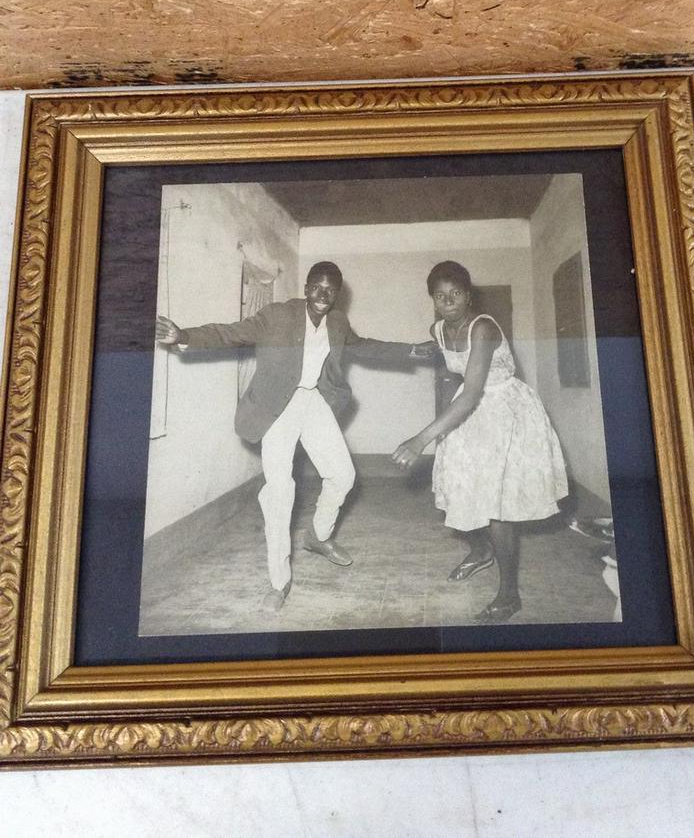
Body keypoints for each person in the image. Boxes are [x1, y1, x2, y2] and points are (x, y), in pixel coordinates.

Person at [156, 261, 433, 610]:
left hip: (313, 399)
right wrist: (183, 336)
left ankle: (317, 536)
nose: (322, 294)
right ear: (305, 288)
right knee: (282, 491)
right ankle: (279, 582)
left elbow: (362, 346)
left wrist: (409, 349)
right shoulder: (277, 315)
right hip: (276, 406)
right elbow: (230, 332)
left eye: (330, 289)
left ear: (337, 294)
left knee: (344, 475)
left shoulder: (337, 321)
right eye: (317, 286)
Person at [391, 260, 568, 623]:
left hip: (505, 413)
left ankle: (509, 594)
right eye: (440, 296)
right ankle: (480, 550)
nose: (448, 301)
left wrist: (421, 438)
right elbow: (442, 352)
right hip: (469, 416)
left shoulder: (484, 328)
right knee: (459, 491)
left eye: (455, 293)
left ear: (468, 296)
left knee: (496, 505)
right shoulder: (438, 329)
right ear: (433, 301)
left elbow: (472, 393)